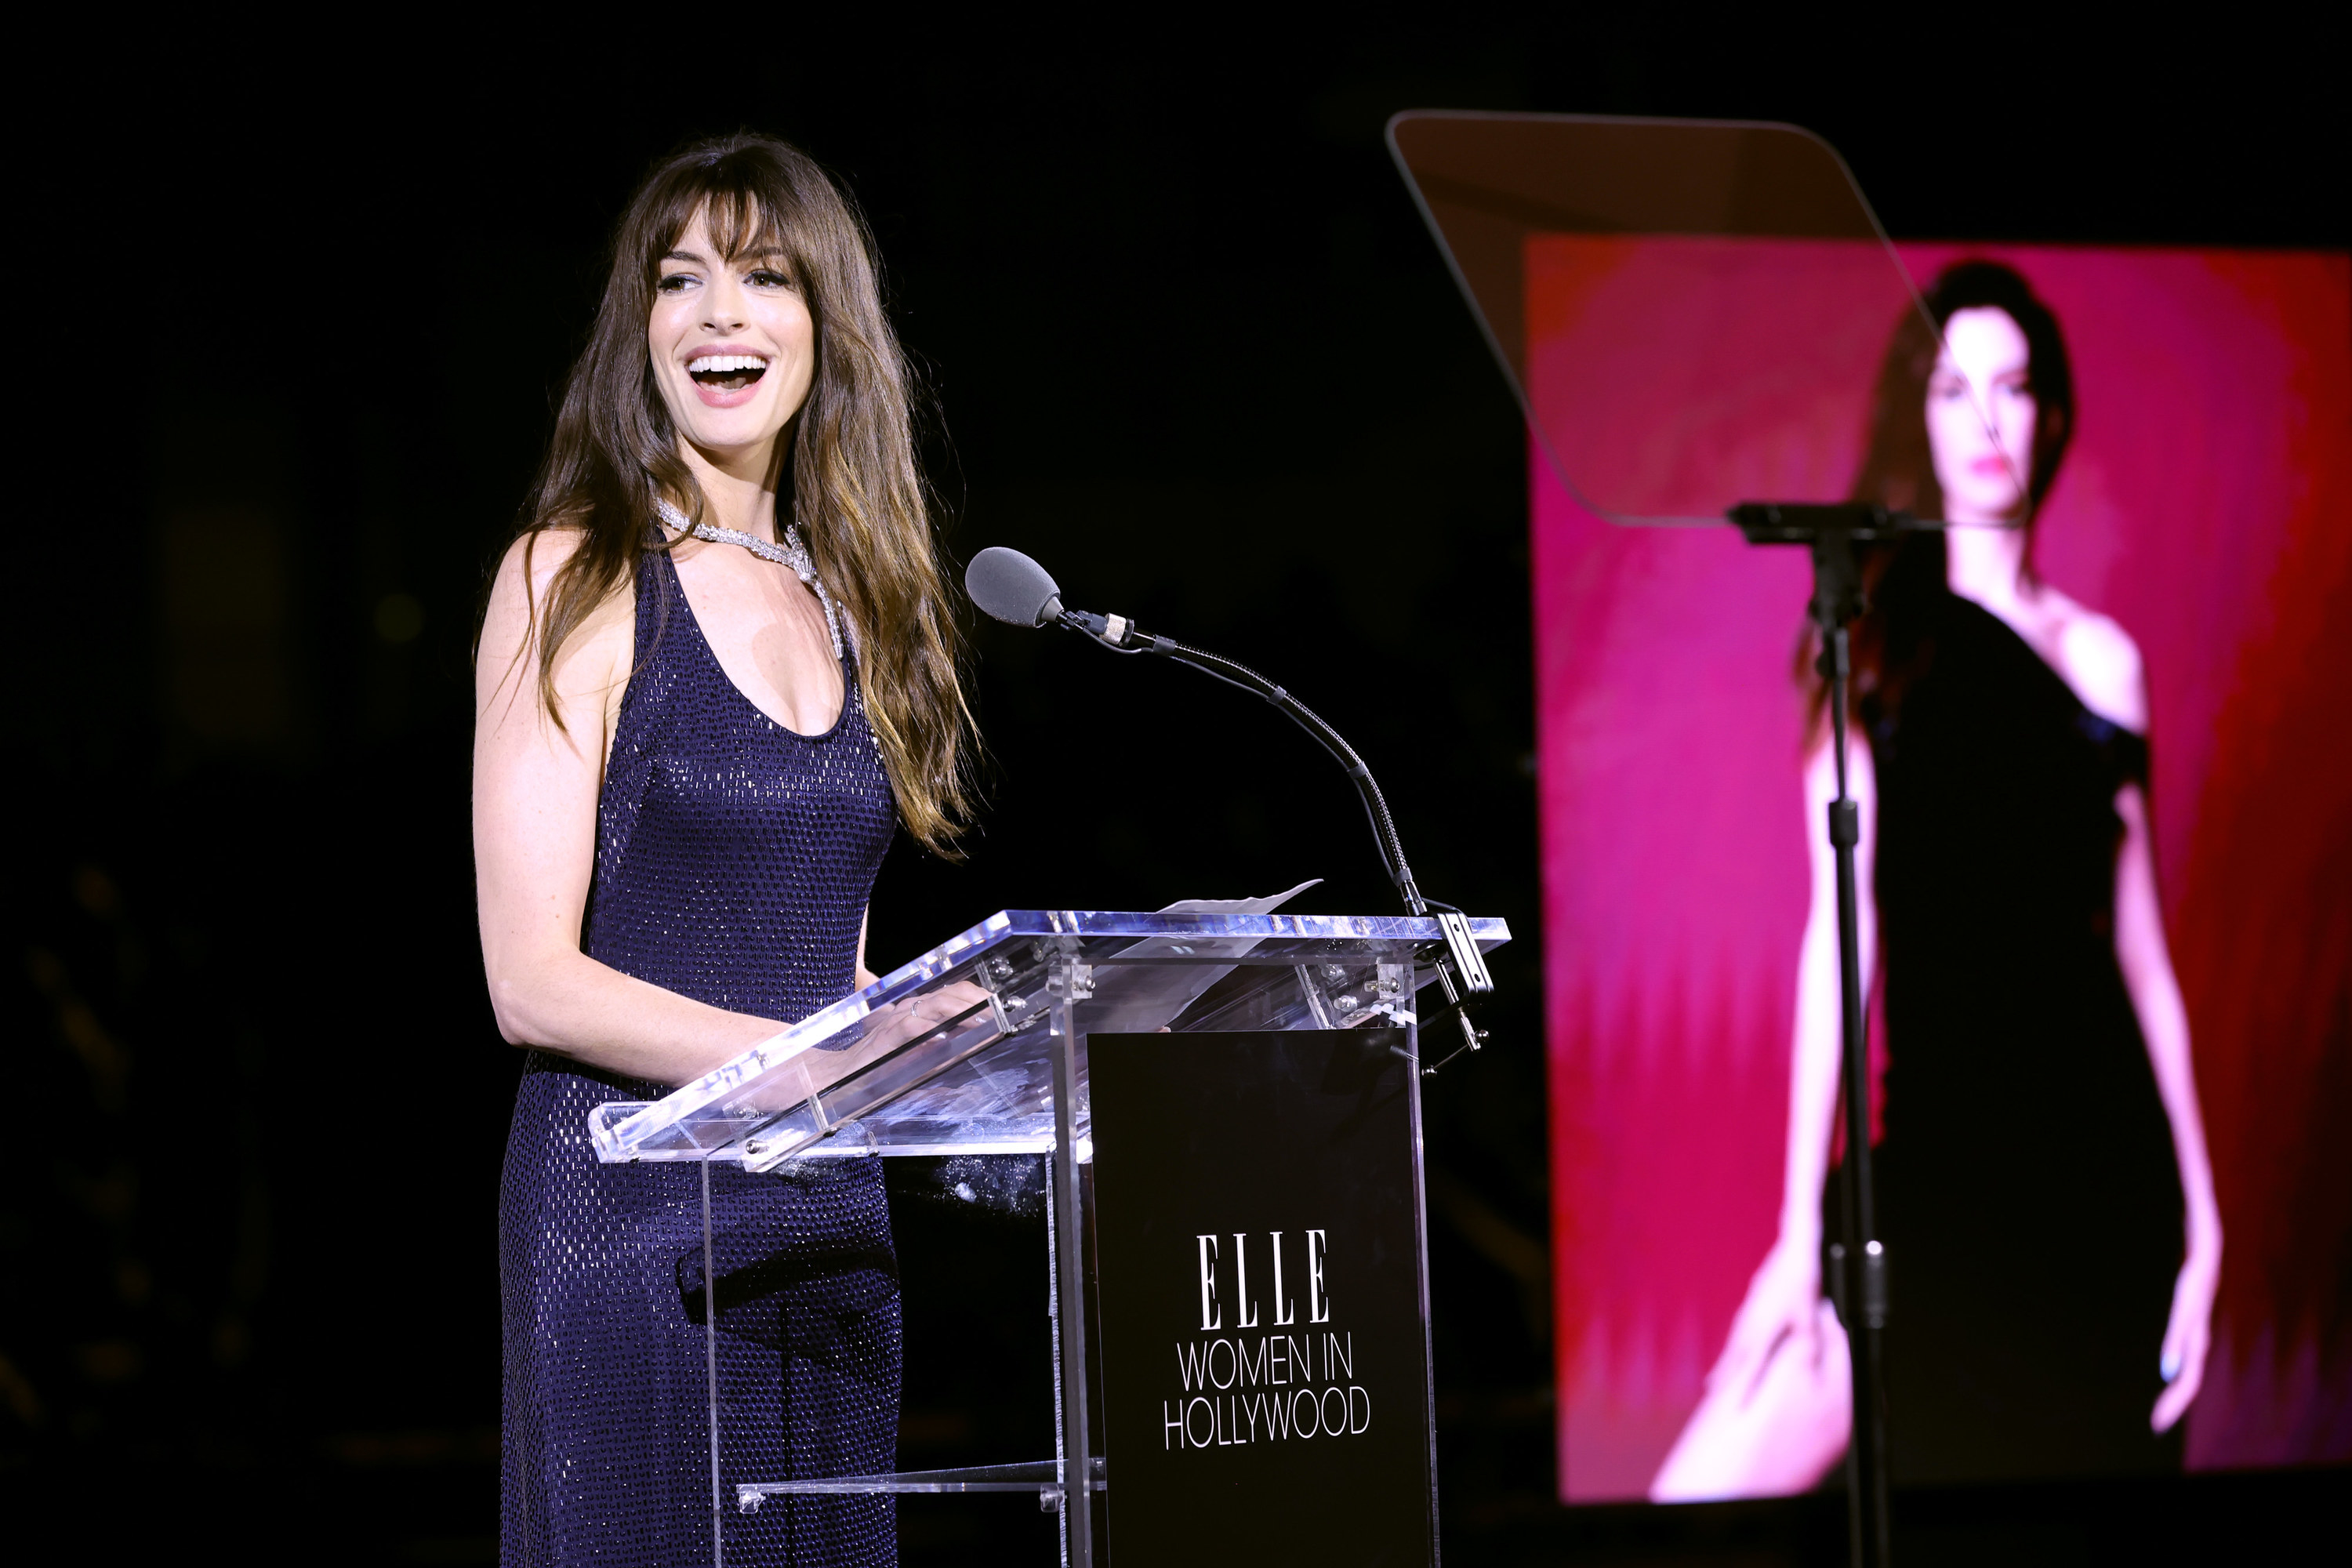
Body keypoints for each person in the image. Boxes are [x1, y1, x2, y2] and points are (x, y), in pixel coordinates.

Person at [474, 133, 978, 1566]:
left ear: (827, 326)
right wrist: (812, 1060)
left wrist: (939, 1027)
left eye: (764, 278)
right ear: (639, 329)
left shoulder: (862, 599)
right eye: (680, 280)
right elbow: (532, 983)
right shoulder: (568, 576)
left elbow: (815, 942)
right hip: (629, 1213)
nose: (719, 315)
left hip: (822, 1211)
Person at [1656, 260, 2223, 1495]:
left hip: (2104, 1192)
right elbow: (1834, 940)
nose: (1981, 420)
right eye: (1952, 388)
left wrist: (2207, 1216)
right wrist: (1798, 1229)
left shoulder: (2106, 665)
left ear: (2051, 416)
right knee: (1709, 1488)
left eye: (2010, 389)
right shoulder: (1873, 636)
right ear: (1915, 412)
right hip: (1935, 1167)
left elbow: (2145, 957)